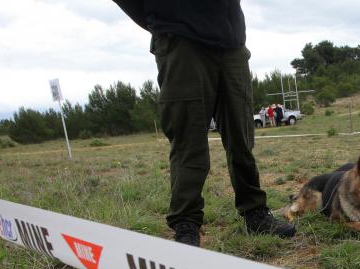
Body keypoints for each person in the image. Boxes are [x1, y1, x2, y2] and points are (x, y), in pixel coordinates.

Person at [112, 0, 296, 246]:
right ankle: (186, 225)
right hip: (181, 42)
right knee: (188, 143)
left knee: (241, 138)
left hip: (231, 44)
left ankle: (255, 213)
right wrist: (161, 18)